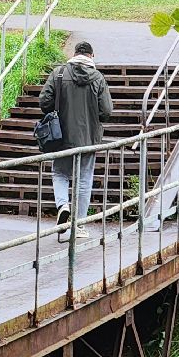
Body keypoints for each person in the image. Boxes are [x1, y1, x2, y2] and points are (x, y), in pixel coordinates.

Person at [38, 41, 114, 240]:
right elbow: (106, 111)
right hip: (88, 138)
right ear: (91, 55)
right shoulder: (97, 77)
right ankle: (78, 226)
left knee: (59, 173)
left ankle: (63, 205)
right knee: (84, 179)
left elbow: (44, 101)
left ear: (74, 54)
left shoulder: (59, 74)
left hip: (62, 136)